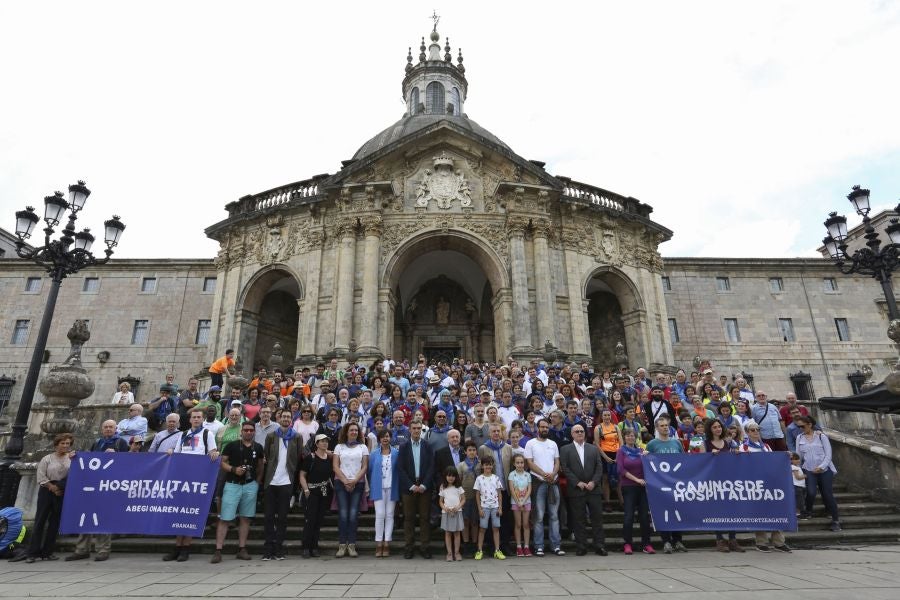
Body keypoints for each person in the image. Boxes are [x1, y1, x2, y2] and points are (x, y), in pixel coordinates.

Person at [66, 420, 129, 562]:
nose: (108, 429)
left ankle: (103, 549)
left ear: (115, 428)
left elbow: (129, 463)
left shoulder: (121, 443)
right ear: (102, 429)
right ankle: (82, 549)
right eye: (105, 427)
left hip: (109, 486)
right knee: (85, 517)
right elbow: (88, 460)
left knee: (103, 518)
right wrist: (76, 456)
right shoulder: (97, 443)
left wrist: (117, 454)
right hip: (93, 486)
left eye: (110, 427)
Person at [163, 408, 220, 562]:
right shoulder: (183, 434)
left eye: (198, 417)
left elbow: (213, 451)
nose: (196, 419)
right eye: (193, 417)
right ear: (190, 420)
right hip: (182, 478)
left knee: (190, 513)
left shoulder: (207, 434)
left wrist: (215, 453)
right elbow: (177, 453)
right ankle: (177, 546)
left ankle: (186, 548)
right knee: (179, 513)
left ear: (202, 419)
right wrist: (170, 451)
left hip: (197, 479)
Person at [211, 422, 264, 563]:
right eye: (246, 430)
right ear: (241, 431)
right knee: (225, 518)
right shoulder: (232, 445)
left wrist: (257, 482)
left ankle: (242, 548)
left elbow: (260, 466)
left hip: (250, 485)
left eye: (251, 430)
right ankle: (218, 550)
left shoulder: (258, 447)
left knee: (245, 518)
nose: (248, 432)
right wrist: (234, 469)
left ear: (254, 432)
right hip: (232, 484)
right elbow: (222, 462)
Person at [15, 434, 72, 563]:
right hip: (47, 490)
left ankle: (48, 552)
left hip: (62, 491)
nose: (65, 446)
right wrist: (52, 487)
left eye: (68, 443)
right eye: (63, 443)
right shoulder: (47, 458)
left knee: (54, 523)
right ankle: (32, 553)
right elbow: (41, 476)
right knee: (40, 521)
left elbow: (73, 475)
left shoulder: (71, 459)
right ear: (56, 444)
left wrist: (60, 488)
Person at [741, 420, 792, 552]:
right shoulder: (744, 447)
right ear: (747, 432)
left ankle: (778, 541)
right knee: (759, 512)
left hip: (769, 483)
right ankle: (761, 541)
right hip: (754, 485)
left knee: (775, 510)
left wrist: (784, 456)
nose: (756, 432)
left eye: (758, 429)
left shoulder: (766, 447)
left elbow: (773, 463)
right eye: (752, 430)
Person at [560, 423, 608, 555]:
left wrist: (593, 481)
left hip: (594, 489)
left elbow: (599, 467)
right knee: (578, 519)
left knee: (597, 518)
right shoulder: (565, 449)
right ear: (572, 434)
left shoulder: (593, 448)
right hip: (576, 490)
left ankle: (599, 545)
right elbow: (565, 468)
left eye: (582, 431)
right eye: (577, 432)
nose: (580, 433)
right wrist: (577, 482)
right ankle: (581, 546)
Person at [261, 410, 303, 561]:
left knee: (283, 518)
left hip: (287, 481)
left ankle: (279, 548)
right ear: (278, 419)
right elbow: (267, 454)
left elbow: (298, 457)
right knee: (268, 517)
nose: (286, 419)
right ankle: (268, 549)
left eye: (288, 417)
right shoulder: (271, 436)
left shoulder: (297, 437)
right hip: (271, 481)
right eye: (283, 416)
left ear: (291, 420)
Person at [645, 416, 687, 554]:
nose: (665, 427)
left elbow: (683, 461)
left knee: (678, 512)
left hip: (676, 485)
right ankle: (666, 541)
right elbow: (648, 464)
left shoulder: (676, 443)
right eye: (662, 426)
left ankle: (678, 540)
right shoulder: (652, 444)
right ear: (657, 428)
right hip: (660, 485)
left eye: (666, 425)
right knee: (664, 513)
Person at [524, 418, 563, 556]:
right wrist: (544, 474)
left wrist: (553, 474)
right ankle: (539, 546)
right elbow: (529, 463)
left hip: (553, 482)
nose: (545, 429)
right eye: (542, 427)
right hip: (538, 482)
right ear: (537, 428)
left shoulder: (553, 444)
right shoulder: (530, 443)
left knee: (554, 515)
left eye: (547, 427)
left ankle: (556, 545)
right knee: (539, 516)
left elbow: (557, 461)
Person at [796, 415, 841, 531]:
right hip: (809, 469)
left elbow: (828, 454)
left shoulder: (822, 437)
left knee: (827, 494)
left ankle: (836, 520)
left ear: (810, 424)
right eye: (798, 426)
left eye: (802, 426)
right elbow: (799, 456)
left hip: (825, 470)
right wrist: (796, 466)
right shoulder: (799, 438)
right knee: (810, 492)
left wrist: (822, 466)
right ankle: (808, 511)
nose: (800, 428)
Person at [398, 421, 435, 559]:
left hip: (424, 487)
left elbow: (432, 466)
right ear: (409, 430)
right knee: (409, 518)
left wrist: (424, 485)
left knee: (425, 518)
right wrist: (411, 485)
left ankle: (425, 547)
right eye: (414, 428)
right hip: (409, 488)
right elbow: (400, 469)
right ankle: (409, 547)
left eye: (419, 428)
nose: (417, 430)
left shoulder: (427, 446)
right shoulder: (403, 447)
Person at [706, 419, 744, 552]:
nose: (718, 429)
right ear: (710, 429)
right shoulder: (706, 443)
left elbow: (734, 457)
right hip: (714, 482)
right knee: (717, 511)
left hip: (729, 481)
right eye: (715, 427)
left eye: (719, 427)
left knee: (731, 510)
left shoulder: (728, 442)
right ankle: (720, 539)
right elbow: (699, 460)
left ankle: (732, 539)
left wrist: (736, 454)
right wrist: (709, 455)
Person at [333, 422, 369, 558]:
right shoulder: (339, 447)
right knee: (343, 514)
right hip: (341, 483)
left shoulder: (363, 447)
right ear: (346, 432)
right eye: (351, 430)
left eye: (355, 430)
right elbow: (335, 466)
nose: (353, 432)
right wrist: (345, 480)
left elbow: (365, 466)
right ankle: (342, 545)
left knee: (353, 514)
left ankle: (352, 545)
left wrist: (354, 480)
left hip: (357, 483)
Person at [616, 428, 654, 555]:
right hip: (628, 486)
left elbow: (649, 466)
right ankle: (627, 543)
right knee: (629, 516)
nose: (631, 438)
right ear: (624, 437)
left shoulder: (641, 451)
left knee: (644, 516)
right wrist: (637, 480)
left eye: (633, 436)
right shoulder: (621, 451)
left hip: (643, 488)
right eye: (628, 436)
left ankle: (646, 544)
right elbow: (621, 470)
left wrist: (648, 457)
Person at [299, 434, 333, 558]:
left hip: (324, 492)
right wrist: (306, 490)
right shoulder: (310, 457)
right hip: (311, 491)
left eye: (326, 441)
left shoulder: (329, 458)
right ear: (316, 444)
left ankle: (314, 546)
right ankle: (306, 547)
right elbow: (302, 475)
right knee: (310, 520)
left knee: (318, 521)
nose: (324, 443)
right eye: (322, 441)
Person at [369, 428, 400, 557]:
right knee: (380, 514)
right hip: (378, 487)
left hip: (392, 487)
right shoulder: (374, 454)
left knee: (389, 515)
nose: (385, 438)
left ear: (391, 438)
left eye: (387, 436)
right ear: (379, 439)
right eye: (383, 437)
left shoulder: (397, 453)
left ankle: (387, 542)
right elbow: (370, 471)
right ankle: (378, 542)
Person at [473, 455, 504, 560]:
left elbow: (499, 493)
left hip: (495, 507)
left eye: (490, 465)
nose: (488, 467)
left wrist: (500, 508)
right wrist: (479, 509)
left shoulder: (496, 478)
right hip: (484, 507)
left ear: (492, 466)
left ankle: (497, 550)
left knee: (496, 528)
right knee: (482, 529)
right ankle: (479, 550)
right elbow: (477, 495)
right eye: (486, 465)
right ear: (482, 466)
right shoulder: (479, 479)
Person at [457, 440, 480, 555]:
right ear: (465, 452)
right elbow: (458, 481)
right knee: (465, 520)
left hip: (477, 497)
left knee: (475, 521)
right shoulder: (461, 465)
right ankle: (466, 543)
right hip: (465, 497)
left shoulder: (480, 464)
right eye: (469, 450)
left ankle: (475, 543)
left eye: (474, 450)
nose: (472, 452)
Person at [439, 466, 466, 562]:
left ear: (456, 477)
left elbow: (463, 499)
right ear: (445, 476)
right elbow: (441, 501)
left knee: (457, 533)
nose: (451, 478)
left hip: (457, 512)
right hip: (446, 513)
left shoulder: (459, 487)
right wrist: (445, 508)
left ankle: (457, 552)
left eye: (453, 476)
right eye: (449, 475)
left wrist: (458, 507)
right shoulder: (443, 487)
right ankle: (449, 553)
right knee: (447, 533)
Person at [507, 454, 532, 557]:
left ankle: (526, 546)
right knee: (518, 524)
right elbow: (512, 490)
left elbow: (529, 489)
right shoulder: (512, 475)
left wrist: (523, 501)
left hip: (526, 502)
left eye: (521, 462)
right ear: (514, 463)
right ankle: (518, 547)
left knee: (526, 524)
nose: (520, 464)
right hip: (516, 502)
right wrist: (518, 502)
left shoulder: (527, 475)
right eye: (517, 462)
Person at [790, 452, 809, 520]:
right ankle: (801, 514)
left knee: (800, 500)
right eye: (796, 459)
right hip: (797, 487)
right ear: (791, 460)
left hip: (800, 486)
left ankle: (798, 513)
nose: (798, 460)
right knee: (800, 501)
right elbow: (797, 477)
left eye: (798, 459)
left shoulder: (797, 467)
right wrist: (805, 476)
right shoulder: (794, 467)